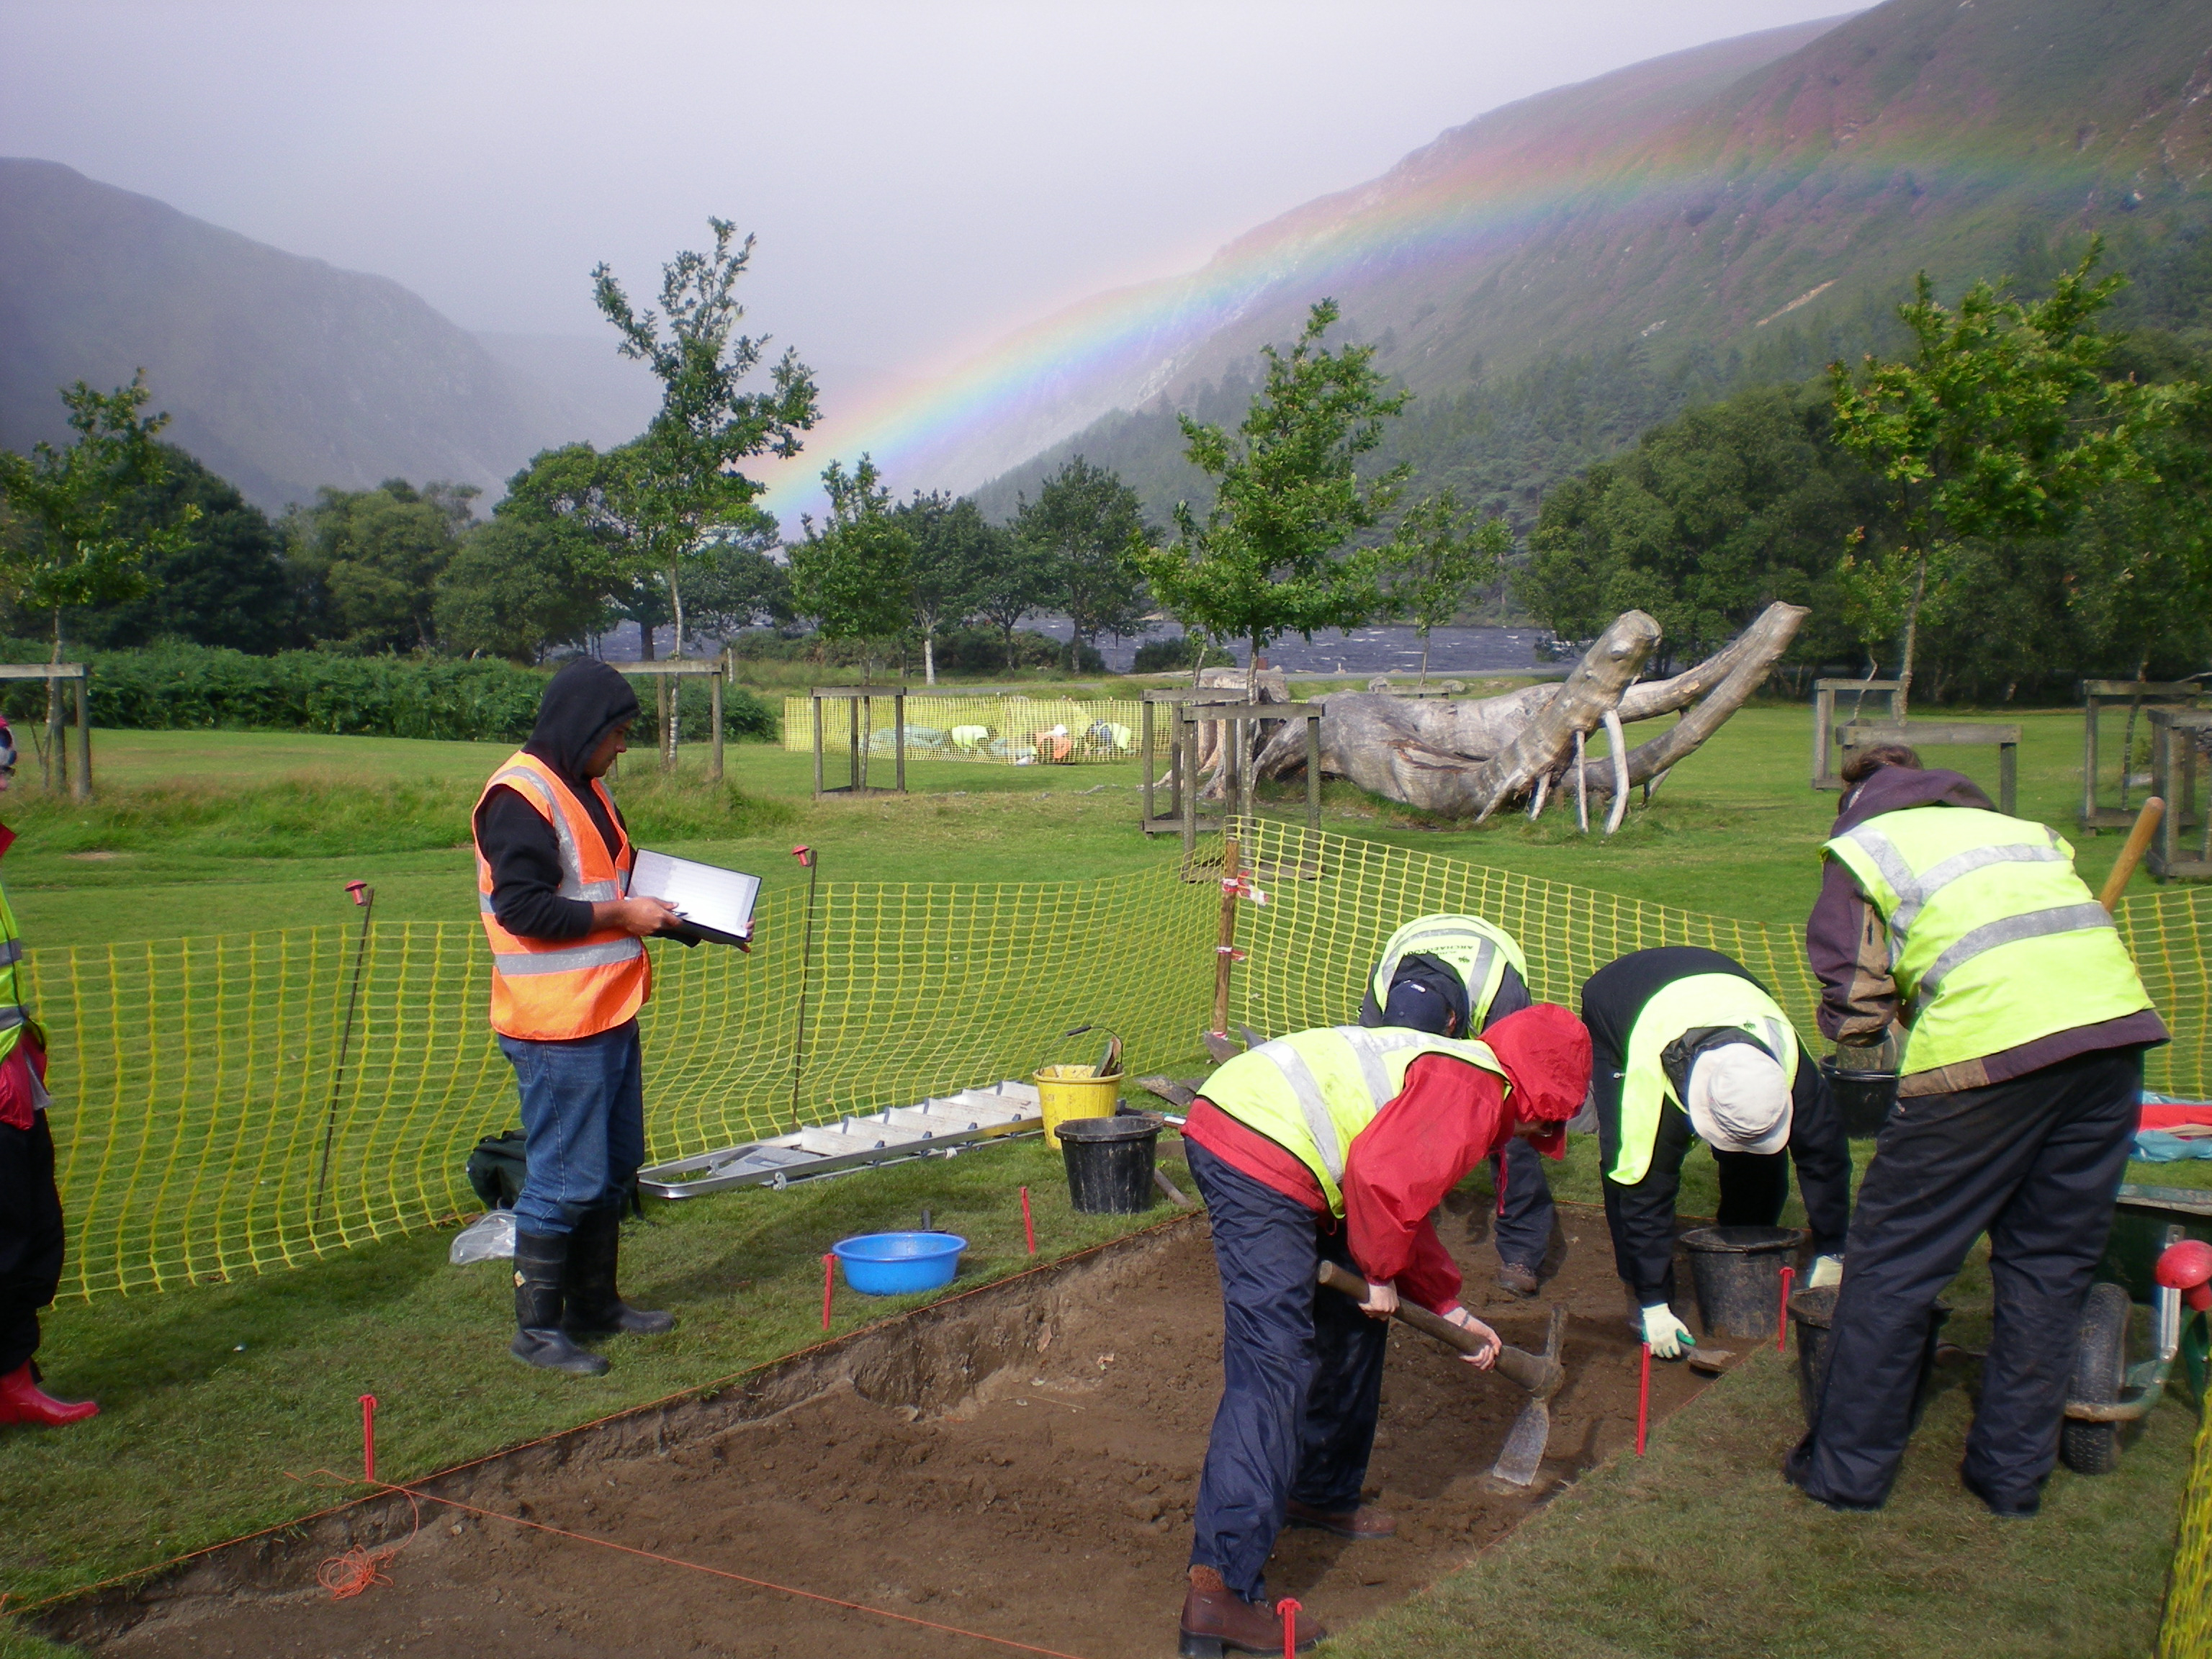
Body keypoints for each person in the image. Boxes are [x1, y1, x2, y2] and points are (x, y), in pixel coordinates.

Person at [1786, 743, 2166, 1516]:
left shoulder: (1865, 849)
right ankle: (2010, 1481)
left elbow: (1857, 1012)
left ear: (1855, 800)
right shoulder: (2023, 832)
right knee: (2049, 1266)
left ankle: (1846, 1476)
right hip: (2112, 1041)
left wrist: (1882, 1017)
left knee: (1894, 1266)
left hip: (1984, 1057)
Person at [1174, 1003, 1591, 1657]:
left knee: (1357, 1320)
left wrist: (1446, 1304)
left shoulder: (1467, 1074)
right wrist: (1379, 1270)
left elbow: (1401, 1200)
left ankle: (1320, 1490)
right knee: (1273, 1365)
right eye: (1548, 1120)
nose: (1538, 1132)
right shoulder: (1475, 1093)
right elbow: (1377, 1179)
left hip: (1274, 1136)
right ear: (1539, 1098)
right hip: (1260, 1148)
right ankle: (1218, 1592)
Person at [472, 660, 691, 1377]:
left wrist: (689, 922)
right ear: (584, 728)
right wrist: (623, 914)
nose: (623, 747)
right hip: (556, 1026)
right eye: (620, 733)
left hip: (609, 1010)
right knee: (566, 1178)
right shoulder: (520, 796)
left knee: (614, 1167)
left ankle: (596, 1304)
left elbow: (617, 885)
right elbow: (523, 909)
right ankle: (537, 1332)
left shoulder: (585, 787)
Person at [1581, 945, 1850, 1360]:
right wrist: (1654, 1303)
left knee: (1756, 1157)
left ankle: (1744, 1245)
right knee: (1625, 1164)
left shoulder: (1791, 1071)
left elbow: (1827, 1158)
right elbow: (1642, 1189)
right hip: (1618, 997)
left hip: (1721, 985)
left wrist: (1833, 1249)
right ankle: (1641, 1291)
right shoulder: (1652, 1092)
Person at [1358, 912, 1555, 1296]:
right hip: (1416, 947)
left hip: (1489, 976)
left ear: (1451, 1022)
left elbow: (1516, 1091)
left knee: (1513, 1126)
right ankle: (1383, 1229)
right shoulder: (1381, 993)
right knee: (1384, 1113)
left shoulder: (1500, 992)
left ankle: (1522, 1251)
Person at [0, 719, 97, 1430]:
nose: (9, 781)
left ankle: (15, 1372)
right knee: (11, 1234)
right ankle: (10, 1381)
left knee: (34, 1229)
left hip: (12, 1074)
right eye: (0, 767)